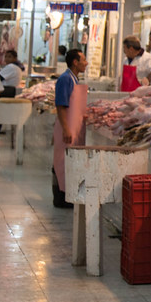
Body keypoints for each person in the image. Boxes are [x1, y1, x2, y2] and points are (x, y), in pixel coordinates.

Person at [53, 49, 88, 208]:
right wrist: (66, 129)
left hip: (72, 126)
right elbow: (61, 106)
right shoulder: (65, 79)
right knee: (62, 163)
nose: (86, 63)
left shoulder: (73, 79)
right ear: (75, 62)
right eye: (83, 60)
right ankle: (61, 198)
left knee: (69, 162)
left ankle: (67, 195)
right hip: (66, 127)